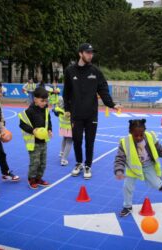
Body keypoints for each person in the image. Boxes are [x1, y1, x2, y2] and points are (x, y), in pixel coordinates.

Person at [63, 43, 121, 179]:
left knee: (90, 141)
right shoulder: (70, 71)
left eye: (91, 53)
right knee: (77, 140)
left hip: (91, 114)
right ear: (80, 54)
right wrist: (67, 109)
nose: (90, 55)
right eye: (88, 52)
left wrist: (112, 104)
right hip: (76, 114)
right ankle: (78, 163)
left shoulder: (95, 71)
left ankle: (88, 165)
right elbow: (66, 92)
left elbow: (103, 89)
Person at [114, 119, 162, 217]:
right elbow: (120, 158)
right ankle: (127, 206)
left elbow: (158, 147)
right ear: (130, 132)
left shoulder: (150, 136)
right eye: (136, 135)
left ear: (144, 132)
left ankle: (159, 183)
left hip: (148, 165)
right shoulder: (125, 142)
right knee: (127, 187)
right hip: (132, 168)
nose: (139, 137)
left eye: (141, 135)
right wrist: (119, 170)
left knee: (156, 185)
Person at [19, 87, 52, 189]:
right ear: (35, 99)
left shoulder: (45, 109)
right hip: (33, 142)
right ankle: (31, 179)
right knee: (35, 162)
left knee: (43, 162)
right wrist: (32, 130)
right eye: (42, 101)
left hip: (43, 141)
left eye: (46, 101)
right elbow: (22, 124)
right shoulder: (29, 111)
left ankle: (39, 178)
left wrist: (50, 129)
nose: (44, 103)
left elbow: (48, 120)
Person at [54, 97, 72, 166]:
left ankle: (62, 152)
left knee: (64, 138)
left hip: (62, 127)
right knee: (69, 142)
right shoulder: (69, 111)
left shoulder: (58, 109)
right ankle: (64, 159)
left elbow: (55, 109)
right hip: (69, 127)